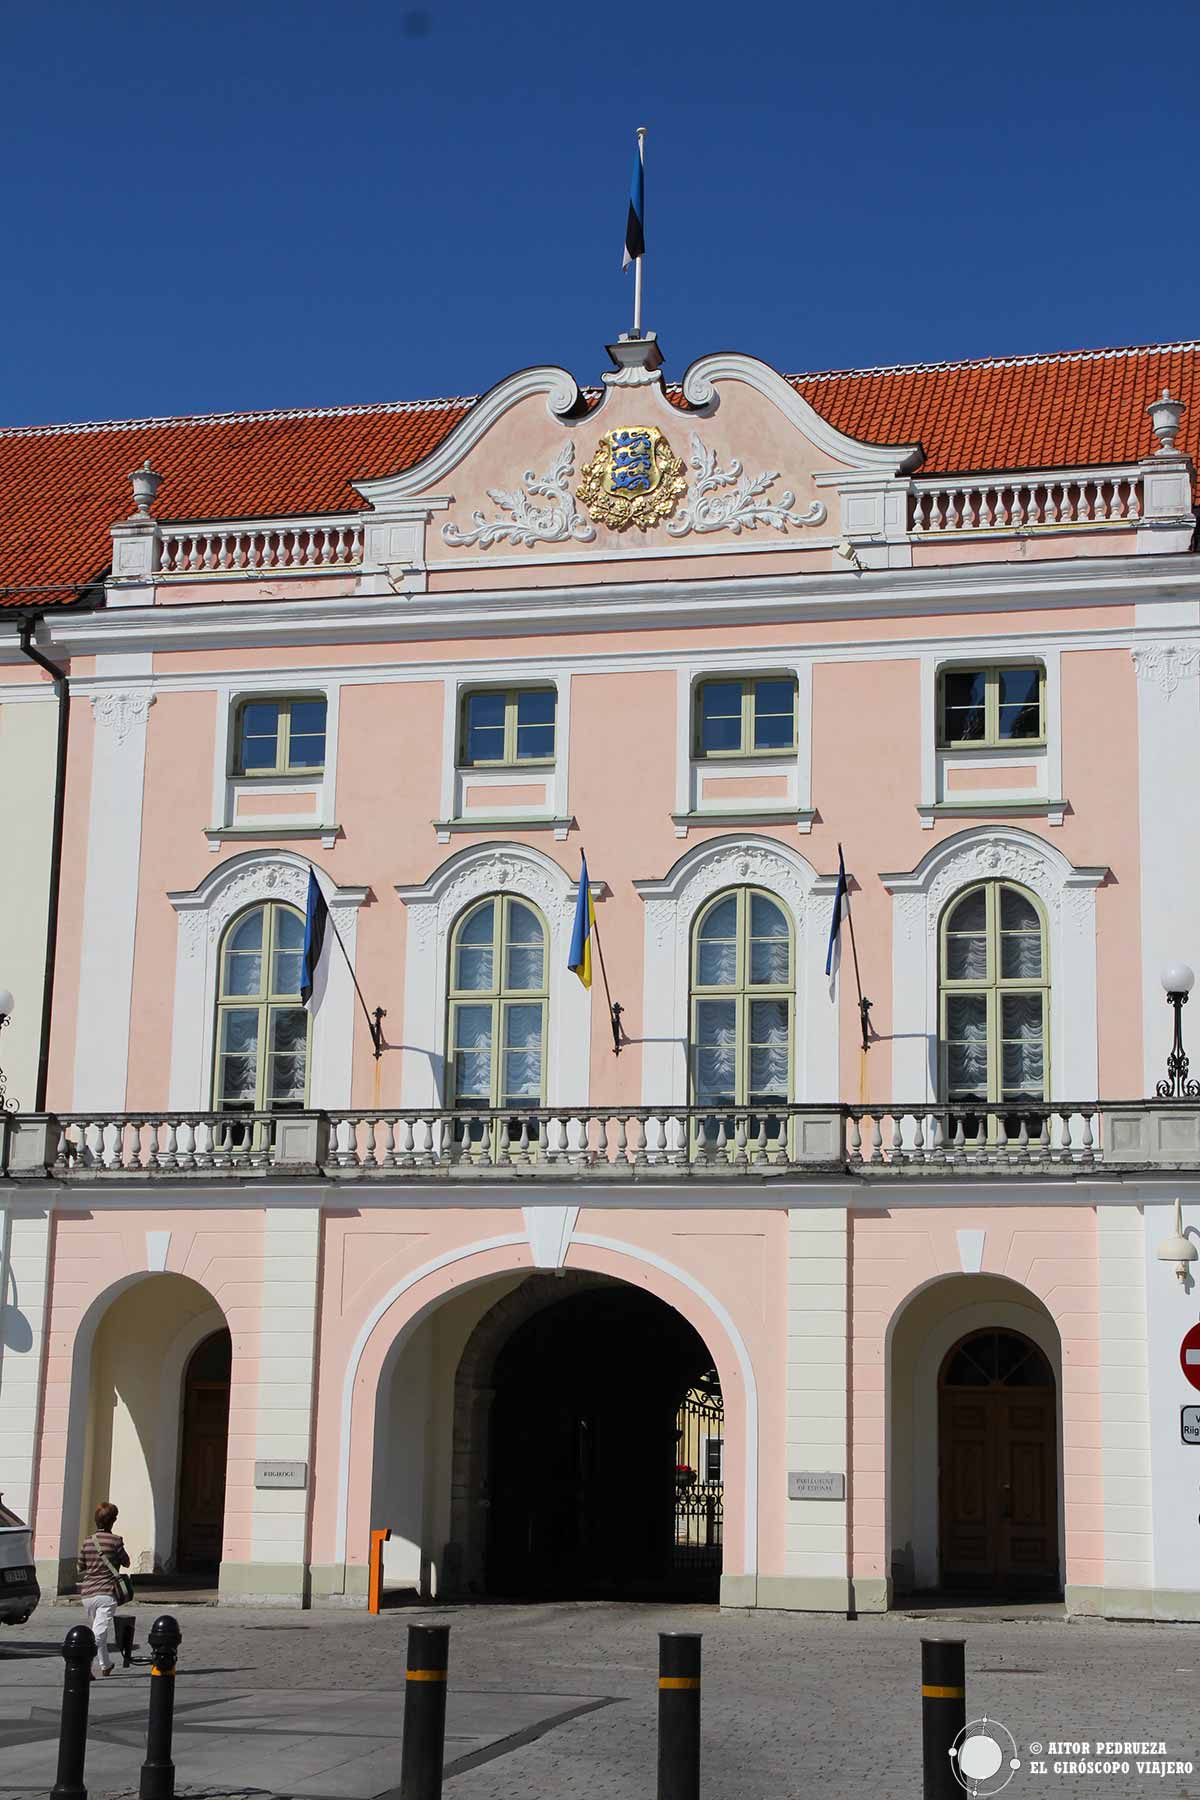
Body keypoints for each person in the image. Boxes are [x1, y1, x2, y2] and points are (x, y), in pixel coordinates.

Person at [76, 1502, 130, 1678]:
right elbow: (126, 1562)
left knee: (99, 1630)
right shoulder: (115, 1540)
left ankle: (105, 1664)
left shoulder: (87, 1541)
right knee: (98, 1633)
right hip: (107, 1592)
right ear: (112, 1521)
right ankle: (85, 1666)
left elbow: (80, 1567)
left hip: (88, 1593)